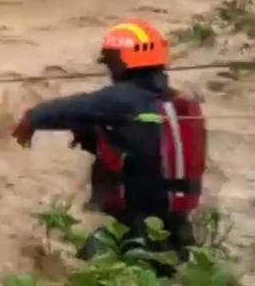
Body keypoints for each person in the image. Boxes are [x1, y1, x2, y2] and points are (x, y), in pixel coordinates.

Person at [11, 20, 206, 268]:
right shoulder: (180, 103)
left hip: (138, 229)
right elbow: (148, 148)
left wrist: (31, 118)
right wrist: (96, 138)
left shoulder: (122, 99)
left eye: (112, 61)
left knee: (88, 268)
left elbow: (65, 109)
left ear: (124, 62)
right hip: (179, 227)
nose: (110, 70)